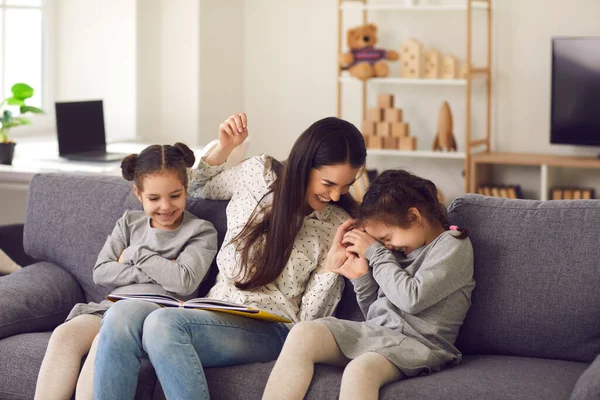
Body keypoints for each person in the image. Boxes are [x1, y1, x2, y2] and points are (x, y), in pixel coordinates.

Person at [93, 113, 367, 400]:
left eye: (346, 186)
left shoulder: (338, 224)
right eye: (328, 184)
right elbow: (196, 187)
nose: (336, 196)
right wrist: (224, 148)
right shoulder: (258, 174)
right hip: (213, 309)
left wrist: (330, 269)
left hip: (272, 329)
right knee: (121, 315)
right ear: (303, 166)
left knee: (163, 325)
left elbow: (309, 322)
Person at [263, 169, 476, 400]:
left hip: (421, 345)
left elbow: (411, 299)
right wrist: (362, 279)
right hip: (380, 335)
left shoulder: (453, 245)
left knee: (360, 370)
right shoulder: (395, 253)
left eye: (387, 238)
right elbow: (378, 314)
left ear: (414, 216)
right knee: (303, 333)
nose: (388, 247)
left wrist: (375, 252)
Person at [34, 143, 218, 400]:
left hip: (156, 313)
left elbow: (183, 282)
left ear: (186, 189)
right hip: (110, 305)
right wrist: (162, 267)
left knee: (104, 341)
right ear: (138, 193)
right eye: (154, 198)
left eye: (175, 195)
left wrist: (135, 254)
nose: (165, 206)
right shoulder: (129, 222)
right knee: (65, 335)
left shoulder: (200, 231)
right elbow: (102, 272)